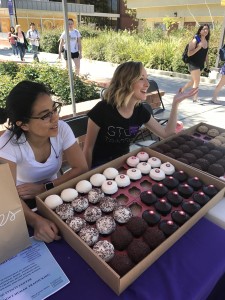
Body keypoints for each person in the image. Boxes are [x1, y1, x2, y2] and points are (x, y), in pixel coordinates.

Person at [0, 80, 88, 243]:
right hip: (23, 201)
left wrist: (44, 187)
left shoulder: (61, 128)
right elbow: (6, 197)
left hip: (55, 189)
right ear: (23, 125)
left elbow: (81, 167)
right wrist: (35, 220)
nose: (55, 118)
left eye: (54, 109)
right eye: (45, 115)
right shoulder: (8, 146)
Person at [83, 61, 198, 169]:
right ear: (126, 82)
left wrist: (175, 104)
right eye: (141, 79)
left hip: (125, 165)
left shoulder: (140, 111)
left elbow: (167, 135)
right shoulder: (102, 110)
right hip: (99, 168)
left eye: (147, 78)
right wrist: (85, 177)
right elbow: (88, 149)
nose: (147, 84)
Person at [180, 24, 210, 102]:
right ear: (200, 31)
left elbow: (206, 54)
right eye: (204, 29)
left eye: (207, 29)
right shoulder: (195, 40)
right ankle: (195, 98)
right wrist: (198, 47)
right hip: (193, 63)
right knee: (197, 81)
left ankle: (182, 89)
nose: (206, 30)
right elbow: (189, 53)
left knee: (194, 80)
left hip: (200, 64)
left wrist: (208, 65)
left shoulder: (206, 41)